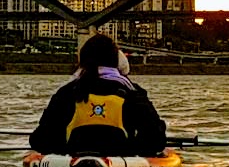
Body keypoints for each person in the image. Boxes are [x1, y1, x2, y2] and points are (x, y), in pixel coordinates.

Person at [30, 33, 170, 157]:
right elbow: (156, 140)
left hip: (73, 160)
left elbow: (40, 140)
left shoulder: (66, 92)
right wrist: (136, 149)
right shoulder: (133, 92)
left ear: (83, 61)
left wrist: (61, 149)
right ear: (115, 61)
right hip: (122, 160)